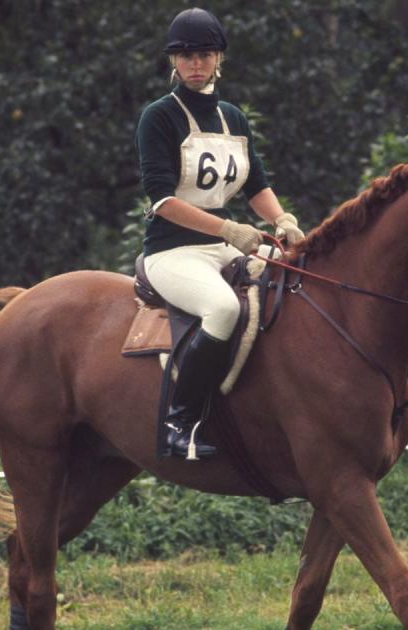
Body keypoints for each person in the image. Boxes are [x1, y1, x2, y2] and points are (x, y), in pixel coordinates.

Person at [136, 7, 305, 460]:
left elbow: (256, 186)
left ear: (218, 59)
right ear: (174, 61)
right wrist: (230, 229)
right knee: (223, 308)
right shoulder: (159, 117)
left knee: (289, 289)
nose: (196, 64)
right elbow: (162, 200)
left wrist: (282, 221)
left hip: (222, 248)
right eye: (186, 55)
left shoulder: (233, 117)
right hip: (172, 251)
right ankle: (179, 422)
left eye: (204, 54)